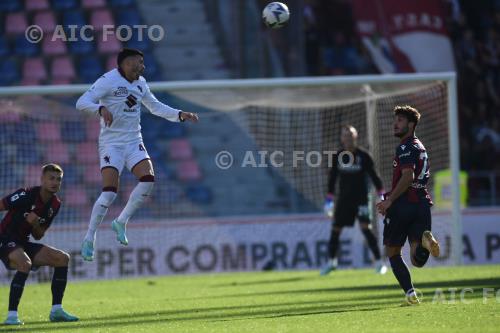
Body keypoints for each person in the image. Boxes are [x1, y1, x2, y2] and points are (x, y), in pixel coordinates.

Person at [76, 48, 199, 261]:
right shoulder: (108, 80)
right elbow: (81, 103)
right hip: (111, 144)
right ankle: (89, 237)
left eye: (142, 63)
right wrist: (100, 109)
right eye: (137, 63)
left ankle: (121, 221)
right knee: (109, 193)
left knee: (148, 180)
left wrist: (180, 114)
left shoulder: (140, 83)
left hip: (134, 141)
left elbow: (155, 106)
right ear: (124, 63)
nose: (141, 67)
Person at [376, 105, 440, 305]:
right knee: (417, 259)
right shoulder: (421, 146)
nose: (395, 124)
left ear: (411, 125)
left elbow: (408, 176)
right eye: (395, 120)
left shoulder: (405, 147)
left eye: (400, 120)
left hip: (404, 205)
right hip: (422, 204)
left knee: (393, 252)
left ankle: (411, 294)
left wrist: (390, 200)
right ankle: (425, 241)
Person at [0, 164, 78, 325]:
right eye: (51, 178)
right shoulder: (25, 194)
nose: (55, 182)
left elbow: (38, 235)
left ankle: (56, 310)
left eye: (58, 179)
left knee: (62, 258)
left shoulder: (55, 204)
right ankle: (12, 317)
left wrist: (35, 224)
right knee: (25, 263)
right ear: (42, 179)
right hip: (4, 239)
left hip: (23, 242)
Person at [321, 125, 387, 275]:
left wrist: (383, 195)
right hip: (344, 200)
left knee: (366, 228)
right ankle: (331, 262)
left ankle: (379, 263)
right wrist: (329, 200)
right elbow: (332, 179)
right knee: (335, 230)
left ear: (355, 137)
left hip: (361, 199)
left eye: (351, 135)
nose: (348, 138)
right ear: (342, 138)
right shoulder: (337, 156)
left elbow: (375, 177)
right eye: (345, 135)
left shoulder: (364, 156)